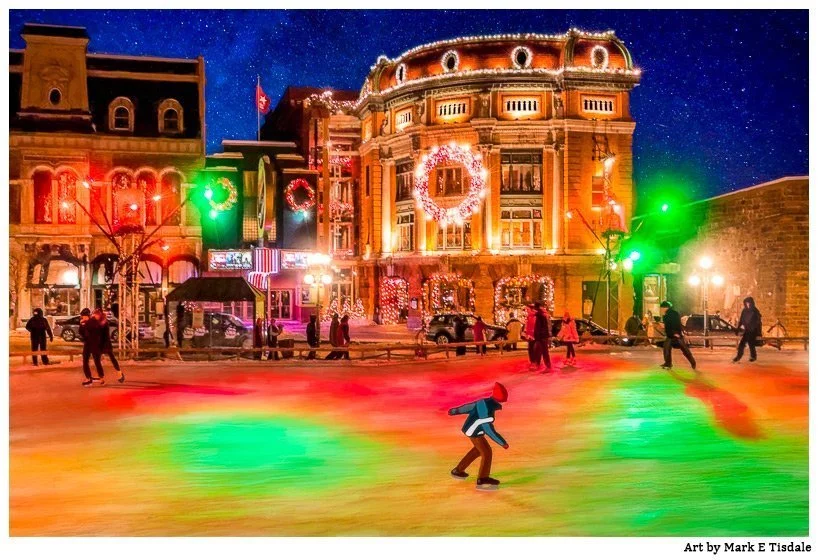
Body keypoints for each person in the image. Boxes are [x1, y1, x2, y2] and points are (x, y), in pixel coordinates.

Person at [448, 382, 510, 491]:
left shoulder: (482, 402)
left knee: (478, 450)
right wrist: (502, 442)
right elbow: (489, 430)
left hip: (470, 429)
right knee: (486, 452)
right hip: (474, 432)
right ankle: (482, 479)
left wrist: (454, 411)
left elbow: (467, 407)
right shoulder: (487, 412)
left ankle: (458, 470)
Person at [659, 301, 696, 370]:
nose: (661, 309)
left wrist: (676, 333)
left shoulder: (671, 314)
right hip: (671, 334)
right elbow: (672, 325)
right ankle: (668, 363)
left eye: (662, 308)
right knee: (668, 348)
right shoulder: (669, 314)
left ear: (665, 307)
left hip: (674, 334)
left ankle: (692, 362)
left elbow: (675, 324)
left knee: (683, 349)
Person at [95, 308, 124, 383]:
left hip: (105, 343)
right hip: (99, 344)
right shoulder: (96, 322)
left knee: (112, 358)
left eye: (97, 314)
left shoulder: (104, 323)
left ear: (100, 315)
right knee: (97, 360)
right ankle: (101, 377)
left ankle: (119, 373)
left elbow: (104, 335)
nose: (95, 316)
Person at [79, 308, 105, 386]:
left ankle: (100, 377)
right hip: (88, 343)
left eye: (83, 316)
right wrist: (81, 325)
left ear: (87, 316)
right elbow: (82, 333)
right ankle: (89, 377)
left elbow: (94, 331)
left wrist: (84, 325)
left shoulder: (93, 322)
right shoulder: (86, 322)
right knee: (86, 360)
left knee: (96, 360)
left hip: (94, 344)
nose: (82, 318)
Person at [733, 296, 762, 363]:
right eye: (746, 303)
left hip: (753, 330)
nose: (747, 304)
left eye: (748, 303)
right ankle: (739, 356)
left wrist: (759, 332)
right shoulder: (744, 311)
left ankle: (753, 356)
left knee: (750, 343)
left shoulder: (755, 311)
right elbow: (741, 320)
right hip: (747, 330)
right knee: (742, 344)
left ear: (751, 303)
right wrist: (738, 329)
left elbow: (758, 322)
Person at [533, 303, 553, 373]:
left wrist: (539, 335)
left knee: (544, 351)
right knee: (538, 350)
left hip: (542, 336)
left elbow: (542, 327)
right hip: (541, 336)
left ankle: (548, 366)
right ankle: (538, 364)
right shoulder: (539, 315)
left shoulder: (540, 316)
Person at [524, 304, 538, 370]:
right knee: (530, 349)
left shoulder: (535, 316)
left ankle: (534, 362)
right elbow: (527, 326)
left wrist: (532, 334)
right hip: (530, 335)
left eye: (528, 309)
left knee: (534, 349)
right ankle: (532, 362)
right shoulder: (529, 317)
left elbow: (534, 327)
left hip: (534, 335)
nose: (526, 311)